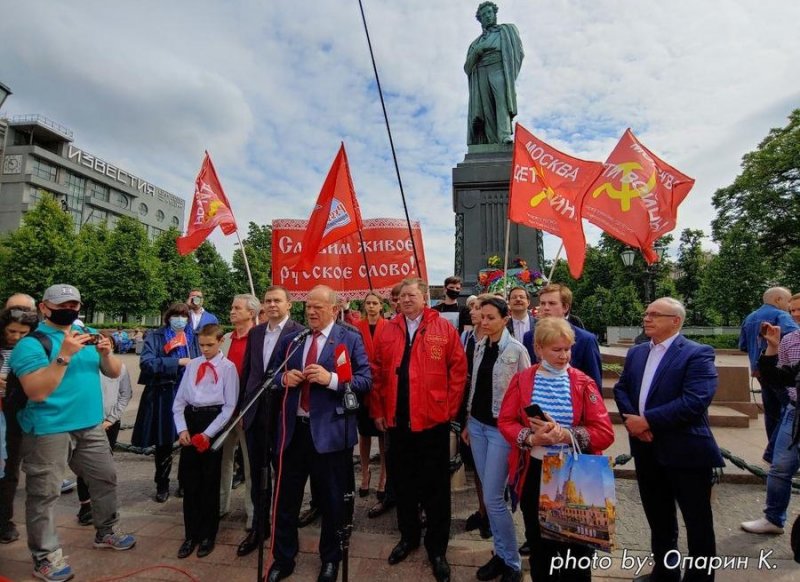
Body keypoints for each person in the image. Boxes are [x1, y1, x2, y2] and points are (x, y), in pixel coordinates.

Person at [9, 284, 135, 582]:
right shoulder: (30, 344)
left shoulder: (87, 334)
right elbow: (37, 391)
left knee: (105, 478)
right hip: (48, 429)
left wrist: (106, 354)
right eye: (62, 304)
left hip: (90, 425)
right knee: (44, 494)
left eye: (74, 304)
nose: (69, 309)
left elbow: (114, 372)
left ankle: (107, 530)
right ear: (44, 307)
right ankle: (45, 557)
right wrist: (64, 355)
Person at [614, 297, 723, 582]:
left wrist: (648, 420)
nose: (647, 319)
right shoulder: (637, 352)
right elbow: (622, 387)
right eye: (646, 313)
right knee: (659, 518)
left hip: (685, 450)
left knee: (697, 521)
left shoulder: (697, 353)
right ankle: (665, 572)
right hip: (646, 448)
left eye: (655, 315)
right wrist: (632, 422)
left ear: (675, 321)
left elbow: (695, 400)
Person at [267, 285, 371, 582]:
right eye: (308, 306)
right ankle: (283, 558)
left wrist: (332, 379)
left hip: (331, 434)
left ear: (334, 310)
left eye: (318, 307)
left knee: (332, 501)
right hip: (293, 433)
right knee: (286, 500)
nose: (311, 312)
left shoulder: (349, 338)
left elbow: (365, 380)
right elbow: (273, 375)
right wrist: (284, 377)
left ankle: (331, 558)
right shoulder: (293, 340)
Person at [498, 317, 613, 581]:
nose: (564, 356)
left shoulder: (583, 382)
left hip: (576, 473)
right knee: (540, 547)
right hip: (535, 472)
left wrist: (566, 434)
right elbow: (506, 421)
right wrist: (529, 438)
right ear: (539, 349)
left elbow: (604, 432)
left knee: (579, 550)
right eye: (556, 350)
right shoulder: (522, 379)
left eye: (567, 349)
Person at [372, 278, 468, 582]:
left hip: (433, 423)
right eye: (403, 297)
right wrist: (378, 411)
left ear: (425, 297)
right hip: (398, 423)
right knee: (403, 485)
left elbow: (458, 372)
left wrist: (448, 409)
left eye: (413, 295)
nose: (407, 300)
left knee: (436, 489)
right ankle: (408, 537)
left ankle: (437, 548)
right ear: (397, 301)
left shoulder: (444, 329)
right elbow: (376, 373)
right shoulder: (388, 330)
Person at [464, 297, 530, 581]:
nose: (485, 321)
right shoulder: (479, 345)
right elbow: (475, 385)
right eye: (483, 316)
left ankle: (512, 562)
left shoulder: (516, 351)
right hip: (477, 426)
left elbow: (527, 391)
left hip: (501, 430)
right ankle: (501, 553)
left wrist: (522, 432)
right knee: (492, 495)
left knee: (493, 498)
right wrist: (467, 420)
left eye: (491, 317)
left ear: (505, 319)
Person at [237, 285, 305, 557]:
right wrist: (243, 409)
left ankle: (283, 530)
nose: (272, 305)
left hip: (284, 414)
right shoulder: (255, 333)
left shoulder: (299, 333)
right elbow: (248, 372)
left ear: (289, 304)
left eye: (278, 300)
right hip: (255, 412)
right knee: (257, 473)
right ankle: (259, 526)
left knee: (285, 476)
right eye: (268, 301)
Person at [173, 324, 238, 559]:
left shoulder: (228, 368)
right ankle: (191, 534)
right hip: (191, 421)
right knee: (190, 482)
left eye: (210, 345)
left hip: (213, 421)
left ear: (221, 341)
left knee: (210, 481)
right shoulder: (193, 366)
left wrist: (208, 434)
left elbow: (229, 406)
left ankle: (209, 534)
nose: (205, 349)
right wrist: (182, 429)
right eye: (201, 345)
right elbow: (179, 400)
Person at [132, 302, 200, 502]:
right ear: (168, 317)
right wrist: (176, 362)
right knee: (164, 442)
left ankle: (185, 482)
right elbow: (146, 363)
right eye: (176, 315)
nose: (180, 319)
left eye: (184, 315)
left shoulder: (193, 338)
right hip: (164, 393)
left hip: (189, 394)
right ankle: (162, 483)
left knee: (189, 441)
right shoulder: (156, 336)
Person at [741, 319, 800, 535]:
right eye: (793, 310)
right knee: (780, 467)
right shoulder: (790, 340)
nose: (796, 315)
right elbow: (778, 376)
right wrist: (773, 346)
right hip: (795, 412)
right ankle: (773, 519)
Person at [738, 286, 797, 462]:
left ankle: (775, 455)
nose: (789, 308)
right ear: (778, 300)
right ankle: (773, 453)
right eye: (788, 302)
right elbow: (795, 337)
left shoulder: (749, 318)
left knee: (772, 414)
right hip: (780, 372)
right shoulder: (782, 316)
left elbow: (742, 346)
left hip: (760, 372)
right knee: (790, 411)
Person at [219, 294, 259, 527]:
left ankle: (253, 514)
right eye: (232, 307)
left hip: (247, 412)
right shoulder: (224, 339)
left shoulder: (259, 337)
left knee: (251, 463)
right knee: (221, 461)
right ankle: (220, 505)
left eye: (237, 308)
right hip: (224, 412)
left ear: (251, 313)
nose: (232, 311)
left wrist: (246, 408)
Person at [0, 305, 39, 545]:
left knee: (9, 470)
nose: (15, 337)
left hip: (13, 415)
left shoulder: (32, 351)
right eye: (11, 331)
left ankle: (4, 521)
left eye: (22, 333)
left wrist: (13, 387)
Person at [75, 364, 133, 525]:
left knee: (104, 466)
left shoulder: (120, 368)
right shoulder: (85, 367)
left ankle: (104, 508)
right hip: (85, 421)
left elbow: (125, 394)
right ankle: (85, 505)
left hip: (109, 423)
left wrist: (111, 419)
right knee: (83, 464)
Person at [464, 1, 523, 145]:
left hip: (498, 68)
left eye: (489, 12)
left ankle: (504, 136)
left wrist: (510, 74)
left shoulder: (506, 31)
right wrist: (477, 52)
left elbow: (519, 53)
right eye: (483, 15)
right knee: (486, 108)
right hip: (481, 72)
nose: (487, 16)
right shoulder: (475, 44)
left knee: (501, 101)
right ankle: (491, 141)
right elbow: (467, 68)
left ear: (495, 13)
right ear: (480, 19)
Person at [522, 284, 603, 389]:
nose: (546, 308)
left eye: (552, 303)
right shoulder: (529, 337)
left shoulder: (586, 340)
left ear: (565, 307)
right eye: (543, 303)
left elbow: (594, 385)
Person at [459, 294, 491, 538]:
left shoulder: (499, 340)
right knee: (477, 466)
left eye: (478, 307)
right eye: (471, 307)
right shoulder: (467, 336)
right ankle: (482, 510)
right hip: (471, 408)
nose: (472, 311)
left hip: (493, 412)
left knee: (493, 469)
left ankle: (493, 514)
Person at [354, 292, 389, 506]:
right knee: (364, 433)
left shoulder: (390, 326)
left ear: (381, 305)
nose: (371, 306)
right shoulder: (357, 326)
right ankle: (365, 473)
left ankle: (383, 478)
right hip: (363, 385)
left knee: (384, 435)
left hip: (383, 386)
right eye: (368, 303)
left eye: (375, 303)